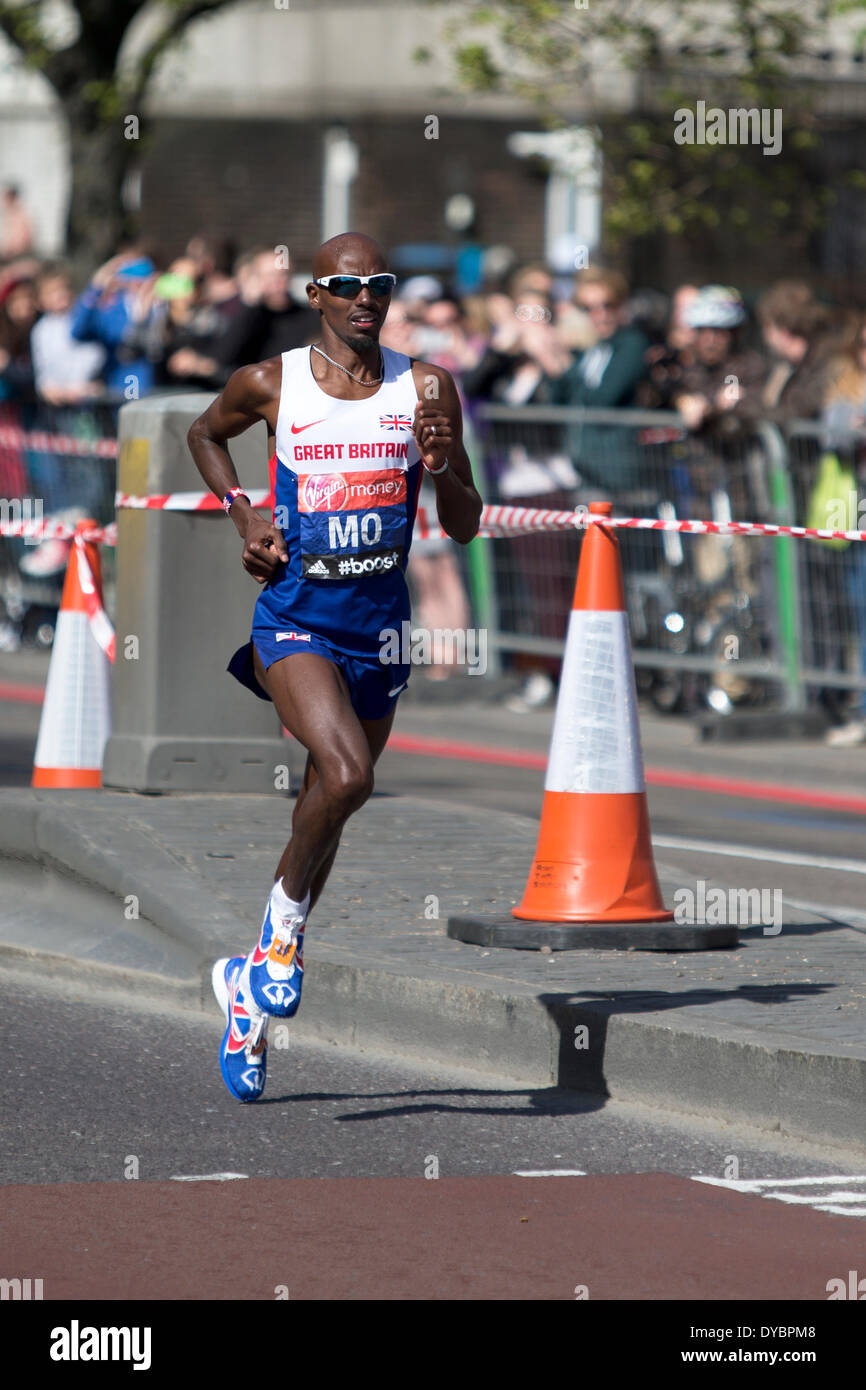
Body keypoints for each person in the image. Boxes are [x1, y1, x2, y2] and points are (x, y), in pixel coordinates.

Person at [187, 232, 482, 1102]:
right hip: (295, 618)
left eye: (379, 285)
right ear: (317, 295)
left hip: (380, 628)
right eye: (348, 285)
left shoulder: (426, 387)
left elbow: (463, 523)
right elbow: (205, 435)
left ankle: (247, 996)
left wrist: (442, 464)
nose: (365, 298)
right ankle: (279, 938)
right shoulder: (270, 382)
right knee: (350, 776)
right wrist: (244, 514)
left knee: (330, 800)